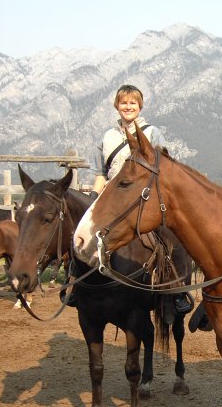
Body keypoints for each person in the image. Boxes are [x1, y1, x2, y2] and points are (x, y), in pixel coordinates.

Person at [78, 84, 190, 314]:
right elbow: (101, 173)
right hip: (113, 198)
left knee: (172, 238)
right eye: (124, 103)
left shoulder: (152, 133)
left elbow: (164, 167)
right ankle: (75, 284)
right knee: (82, 230)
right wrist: (92, 199)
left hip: (144, 199)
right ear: (116, 106)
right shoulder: (107, 137)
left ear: (140, 106)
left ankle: (177, 290)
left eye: (133, 103)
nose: (128, 107)